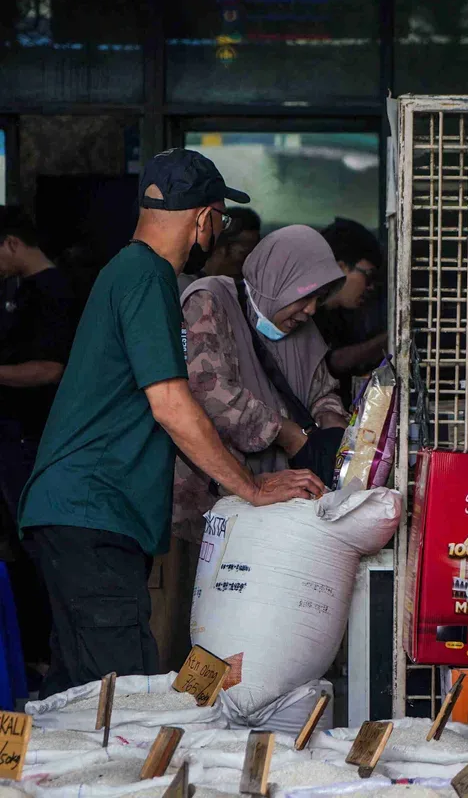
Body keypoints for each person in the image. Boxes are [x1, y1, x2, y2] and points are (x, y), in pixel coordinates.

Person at [19, 149, 324, 695]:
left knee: (77, 694)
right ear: (206, 218)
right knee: (122, 696)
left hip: (84, 515)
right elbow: (172, 404)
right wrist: (251, 487)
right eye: (220, 220)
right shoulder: (148, 276)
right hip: (91, 513)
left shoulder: (130, 271)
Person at [173, 224, 349, 543]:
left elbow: (323, 392)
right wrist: (288, 434)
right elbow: (208, 391)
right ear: (278, 279)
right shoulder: (209, 300)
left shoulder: (305, 329)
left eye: (318, 300)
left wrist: (334, 433)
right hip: (212, 505)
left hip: (283, 505)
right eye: (305, 296)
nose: (310, 311)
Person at [0, 207, 70, 702]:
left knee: (36, 550)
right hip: (14, 438)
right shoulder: (20, 292)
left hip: (34, 439)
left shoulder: (55, 293)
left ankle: (48, 659)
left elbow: (50, 369)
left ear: (10, 243)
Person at [315, 218, 388, 405]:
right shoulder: (306, 315)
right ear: (340, 268)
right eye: (368, 276)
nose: (370, 287)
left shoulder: (342, 317)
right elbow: (334, 362)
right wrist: (392, 338)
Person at [176, 206, 261, 292]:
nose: (248, 264)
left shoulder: (245, 289)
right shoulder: (186, 286)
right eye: (243, 254)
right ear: (220, 249)